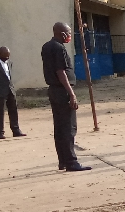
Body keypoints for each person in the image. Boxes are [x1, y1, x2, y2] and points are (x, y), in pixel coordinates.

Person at [41, 22, 90, 171]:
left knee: (59, 128)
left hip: (53, 91)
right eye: (68, 33)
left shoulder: (46, 46)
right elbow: (61, 72)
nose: (69, 36)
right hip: (62, 91)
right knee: (69, 128)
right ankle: (71, 162)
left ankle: (62, 160)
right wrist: (71, 93)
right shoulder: (59, 48)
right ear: (62, 34)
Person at [0, 47, 25, 139]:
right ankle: (0, 132)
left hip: (10, 89)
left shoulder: (9, 63)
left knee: (13, 110)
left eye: (8, 56)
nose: (7, 58)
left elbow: (9, 76)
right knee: (0, 111)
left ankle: (16, 130)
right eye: (5, 56)